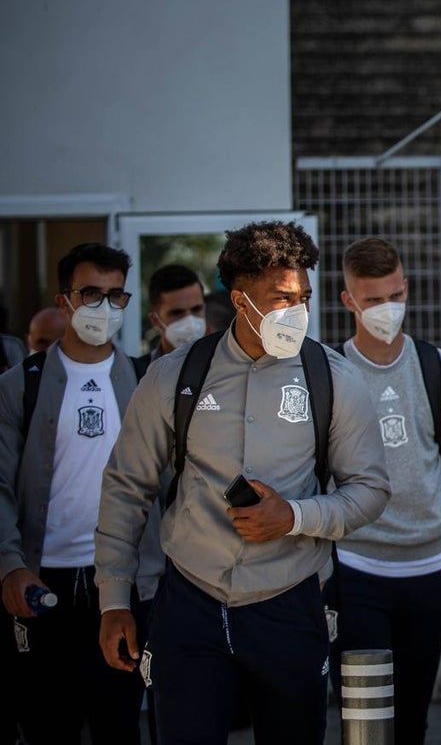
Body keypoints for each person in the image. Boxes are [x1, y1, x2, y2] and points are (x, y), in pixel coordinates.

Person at [94, 220, 392, 745]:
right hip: (189, 602)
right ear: (239, 299)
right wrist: (114, 600)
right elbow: (126, 487)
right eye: (280, 299)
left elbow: (370, 490)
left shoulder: (334, 378)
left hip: (290, 603)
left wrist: (294, 516)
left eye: (302, 297)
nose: (296, 311)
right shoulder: (172, 377)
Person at [328, 237, 441, 745]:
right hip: (355, 573)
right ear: (348, 300)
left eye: (395, 296)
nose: (386, 310)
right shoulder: (326, 375)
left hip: (431, 573)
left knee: (413, 721)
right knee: (365, 725)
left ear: (407, 289)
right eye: (373, 301)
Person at [0, 243, 160, 744]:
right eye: (91, 293)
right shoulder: (18, 385)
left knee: (119, 724)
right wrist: (9, 563)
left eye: (116, 296)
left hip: (126, 584)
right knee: (49, 725)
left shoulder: (146, 381)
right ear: (64, 299)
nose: (104, 307)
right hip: (42, 585)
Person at [139, 264, 206, 363]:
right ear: (155, 320)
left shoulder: (224, 368)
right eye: (177, 313)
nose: (190, 323)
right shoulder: (139, 374)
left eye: (196, 309)